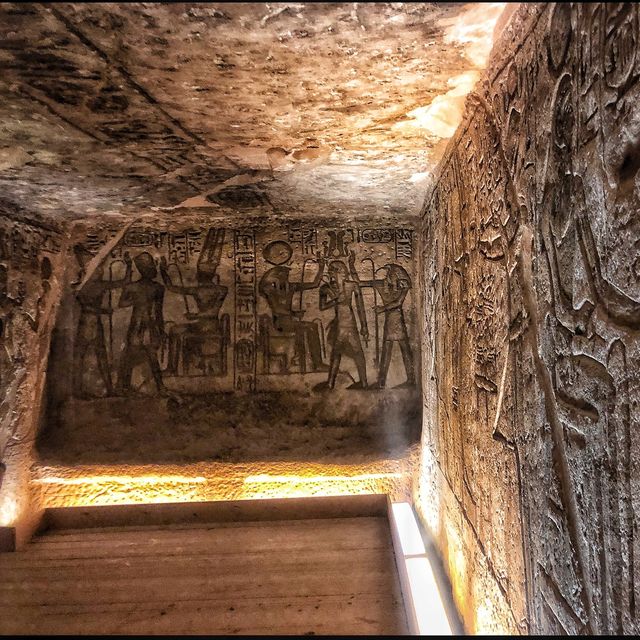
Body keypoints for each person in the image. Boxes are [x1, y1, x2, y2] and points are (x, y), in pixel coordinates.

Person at [159, 229, 229, 376]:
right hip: (200, 325)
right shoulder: (200, 290)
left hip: (210, 326)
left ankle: (172, 367)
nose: (197, 275)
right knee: (174, 330)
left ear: (203, 274)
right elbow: (171, 288)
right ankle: (172, 367)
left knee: (176, 330)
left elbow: (213, 312)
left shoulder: (220, 290)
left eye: (199, 273)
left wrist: (196, 315)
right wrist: (163, 271)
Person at [348, 252, 415, 388]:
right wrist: (351, 266)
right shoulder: (381, 284)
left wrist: (382, 308)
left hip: (398, 322)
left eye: (392, 274)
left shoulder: (402, 288)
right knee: (386, 352)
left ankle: (411, 380)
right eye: (389, 274)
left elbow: (398, 303)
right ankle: (382, 382)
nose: (389, 276)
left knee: (404, 350)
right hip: (389, 323)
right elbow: (359, 283)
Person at [72, 247, 132, 398]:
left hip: (87, 322)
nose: (101, 270)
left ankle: (103, 390)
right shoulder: (93, 285)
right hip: (91, 322)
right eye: (98, 267)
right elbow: (125, 281)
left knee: (88, 356)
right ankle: (100, 390)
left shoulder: (83, 285)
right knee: (95, 356)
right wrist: (104, 311)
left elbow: (124, 282)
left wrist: (129, 265)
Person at [258, 257, 327, 372]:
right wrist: (294, 313)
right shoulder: (270, 290)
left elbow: (314, 284)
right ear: (276, 277)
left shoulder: (291, 287)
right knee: (310, 327)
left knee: (308, 327)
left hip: (290, 321)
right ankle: (317, 363)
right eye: (283, 275)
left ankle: (305, 359)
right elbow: (278, 310)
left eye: (286, 276)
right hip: (280, 323)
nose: (286, 278)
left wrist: (321, 268)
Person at [116, 251, 167, 395]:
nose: (153, 269)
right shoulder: (136, 287)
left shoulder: (157, 288)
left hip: (146, 325)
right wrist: (138, 300)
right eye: (151, 266)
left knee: (149, 357)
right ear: (144, 269)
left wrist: (161, 331)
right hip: (140, 324)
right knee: (132, 356)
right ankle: (125, 388)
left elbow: (158, 311)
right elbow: (122, 303)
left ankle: (160, 387)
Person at [316, 260, 368, 389]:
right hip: (339, 325)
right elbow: (322, 306)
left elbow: (360, 307)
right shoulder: (326, 288)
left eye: (344, 272)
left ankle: (364, 382)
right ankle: (330, 383)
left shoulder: (353, 285)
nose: (344, 274)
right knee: (336, 352)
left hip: (350, 323)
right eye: (341, 271)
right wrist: (335, 301)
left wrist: (364, 326)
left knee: (357, 352)